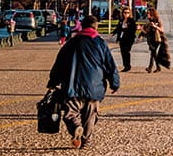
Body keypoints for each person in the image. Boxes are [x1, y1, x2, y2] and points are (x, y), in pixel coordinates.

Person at [47, 15, 119, 150]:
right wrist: (114, 83)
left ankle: (75, 126)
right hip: (94, 86)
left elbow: (60, 63)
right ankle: (86, 141)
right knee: (90, 116)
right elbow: (110, 65)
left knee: (70, 113)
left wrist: (53, 81)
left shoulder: (71, 43)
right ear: (95, 27)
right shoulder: (100, 43)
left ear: (82, 26)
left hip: (72, 85)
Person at [113, 7, 138, 72]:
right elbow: (118, 28)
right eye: (125, 13)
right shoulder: (121, 20)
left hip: (129, 38)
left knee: (127, 51)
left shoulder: (131, 20)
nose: (126, 14)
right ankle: (125, 65)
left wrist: (126, 28)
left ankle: (128, 66)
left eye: (128, 13)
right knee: (123, 52)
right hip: (122, 38)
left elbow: (133, 29)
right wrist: (114, 32)